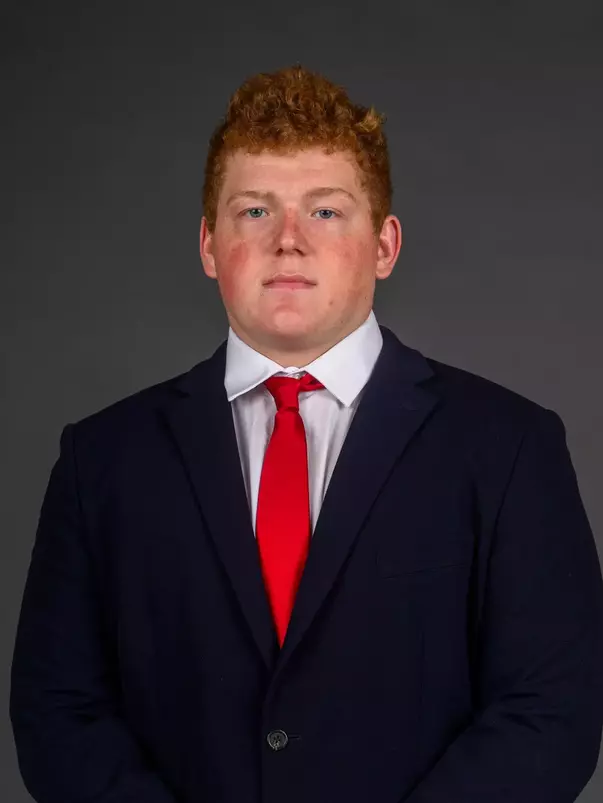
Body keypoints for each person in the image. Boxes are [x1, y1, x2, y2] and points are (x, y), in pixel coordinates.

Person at [10, 63, 603, 803]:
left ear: (384, 245)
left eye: (325, 212)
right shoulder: (100, 460)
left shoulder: (510, 447)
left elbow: (551, 711)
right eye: (253, 211)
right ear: (206, 244)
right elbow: (58, 710)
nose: (287, 241)